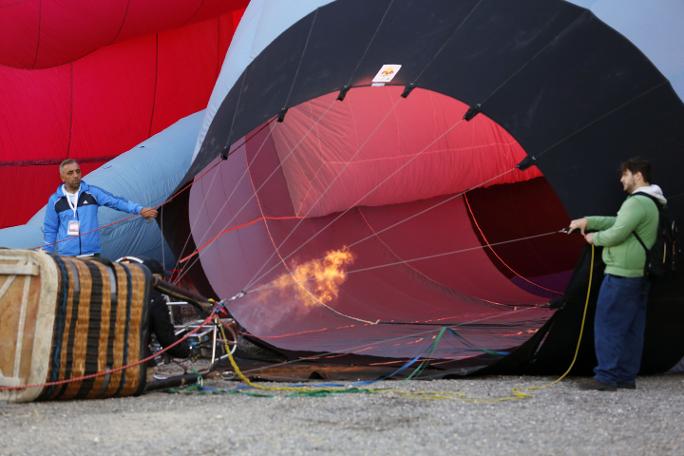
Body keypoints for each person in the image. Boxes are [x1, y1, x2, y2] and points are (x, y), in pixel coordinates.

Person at [569, 158, 665, 391]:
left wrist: (594, 238)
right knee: (632, 327)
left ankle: (606, 377)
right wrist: (589, 221)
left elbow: (617, 232)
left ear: (638, 175)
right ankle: (625, 376)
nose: (622, 180)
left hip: (622, 275)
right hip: (639, 275)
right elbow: (620, 222)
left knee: (608, 324)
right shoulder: (651, 202)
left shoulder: (636, 202)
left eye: (625, 174)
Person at [43, 159, 158, 256]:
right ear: (62, 177)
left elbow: (117, 202)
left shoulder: (92, 192)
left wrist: (140, 209)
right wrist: (47, 252)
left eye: (78, 171)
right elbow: (50, 229)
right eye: (70, 173)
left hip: (92, 255)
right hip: (67, 257)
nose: (76, 175)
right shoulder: (55, 200)